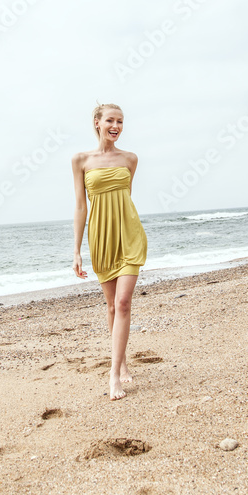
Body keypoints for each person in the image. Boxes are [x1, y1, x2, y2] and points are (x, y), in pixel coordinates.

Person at [71, 103, 148, 400]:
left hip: (128, 234)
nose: (116, 126)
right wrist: (76, 251)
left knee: (124, 302)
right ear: (97, 123)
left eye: (120, 121)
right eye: (111, 121)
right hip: (101, 237)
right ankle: (123, 360)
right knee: (112, 307)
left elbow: (125, 198)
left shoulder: (130, 159)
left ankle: (114, 374)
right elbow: (81, 206)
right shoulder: (80, 160)